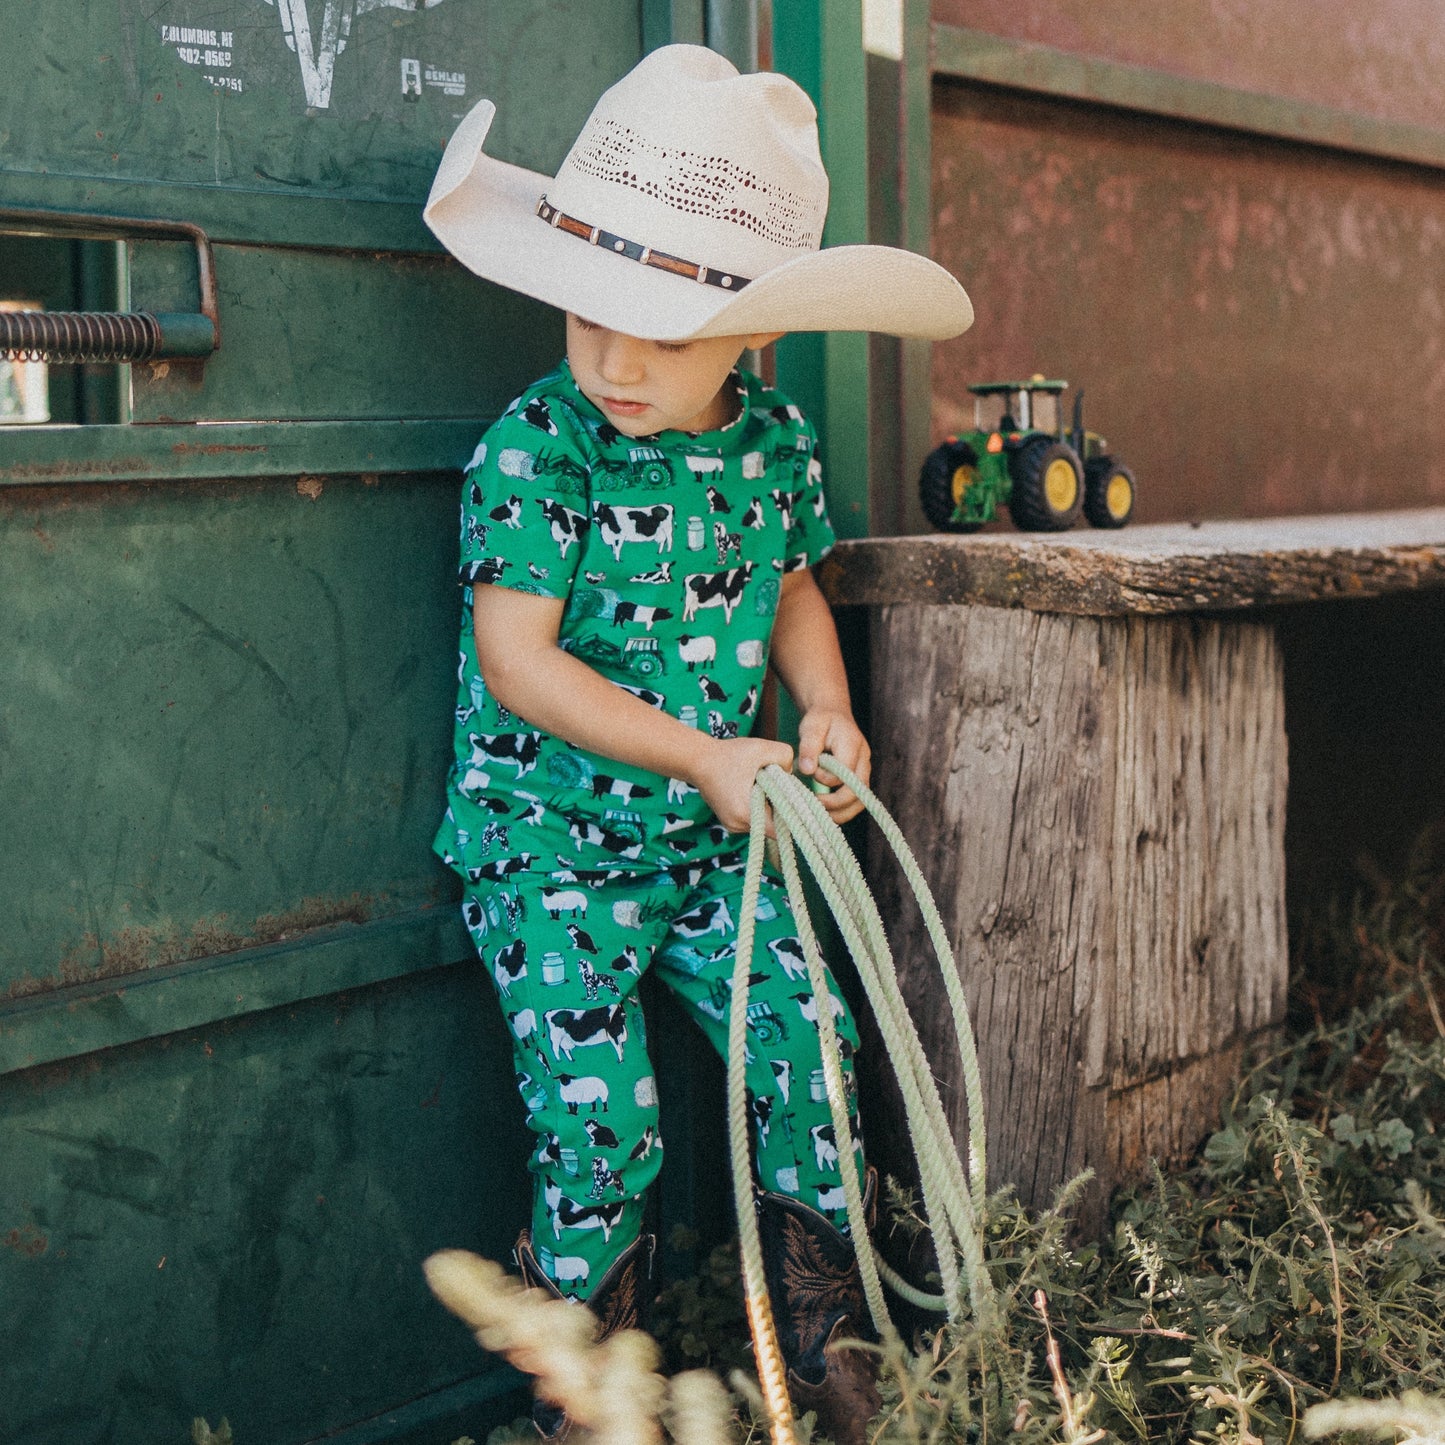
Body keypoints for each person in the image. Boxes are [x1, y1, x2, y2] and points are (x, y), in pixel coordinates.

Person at [423, 43, 972, 1443]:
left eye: (661, 333)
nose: (613, 360)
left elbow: (790, 585)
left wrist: (822, 708)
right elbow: (518, 660)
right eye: (588, 315)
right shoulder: (539, 452)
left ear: (754, 340)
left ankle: (832, 1358)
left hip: (710, 838)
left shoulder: (774, 446)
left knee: (815, 1048)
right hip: (551, 845)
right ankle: (590, 1395)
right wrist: (707, 754)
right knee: (602, 1128)